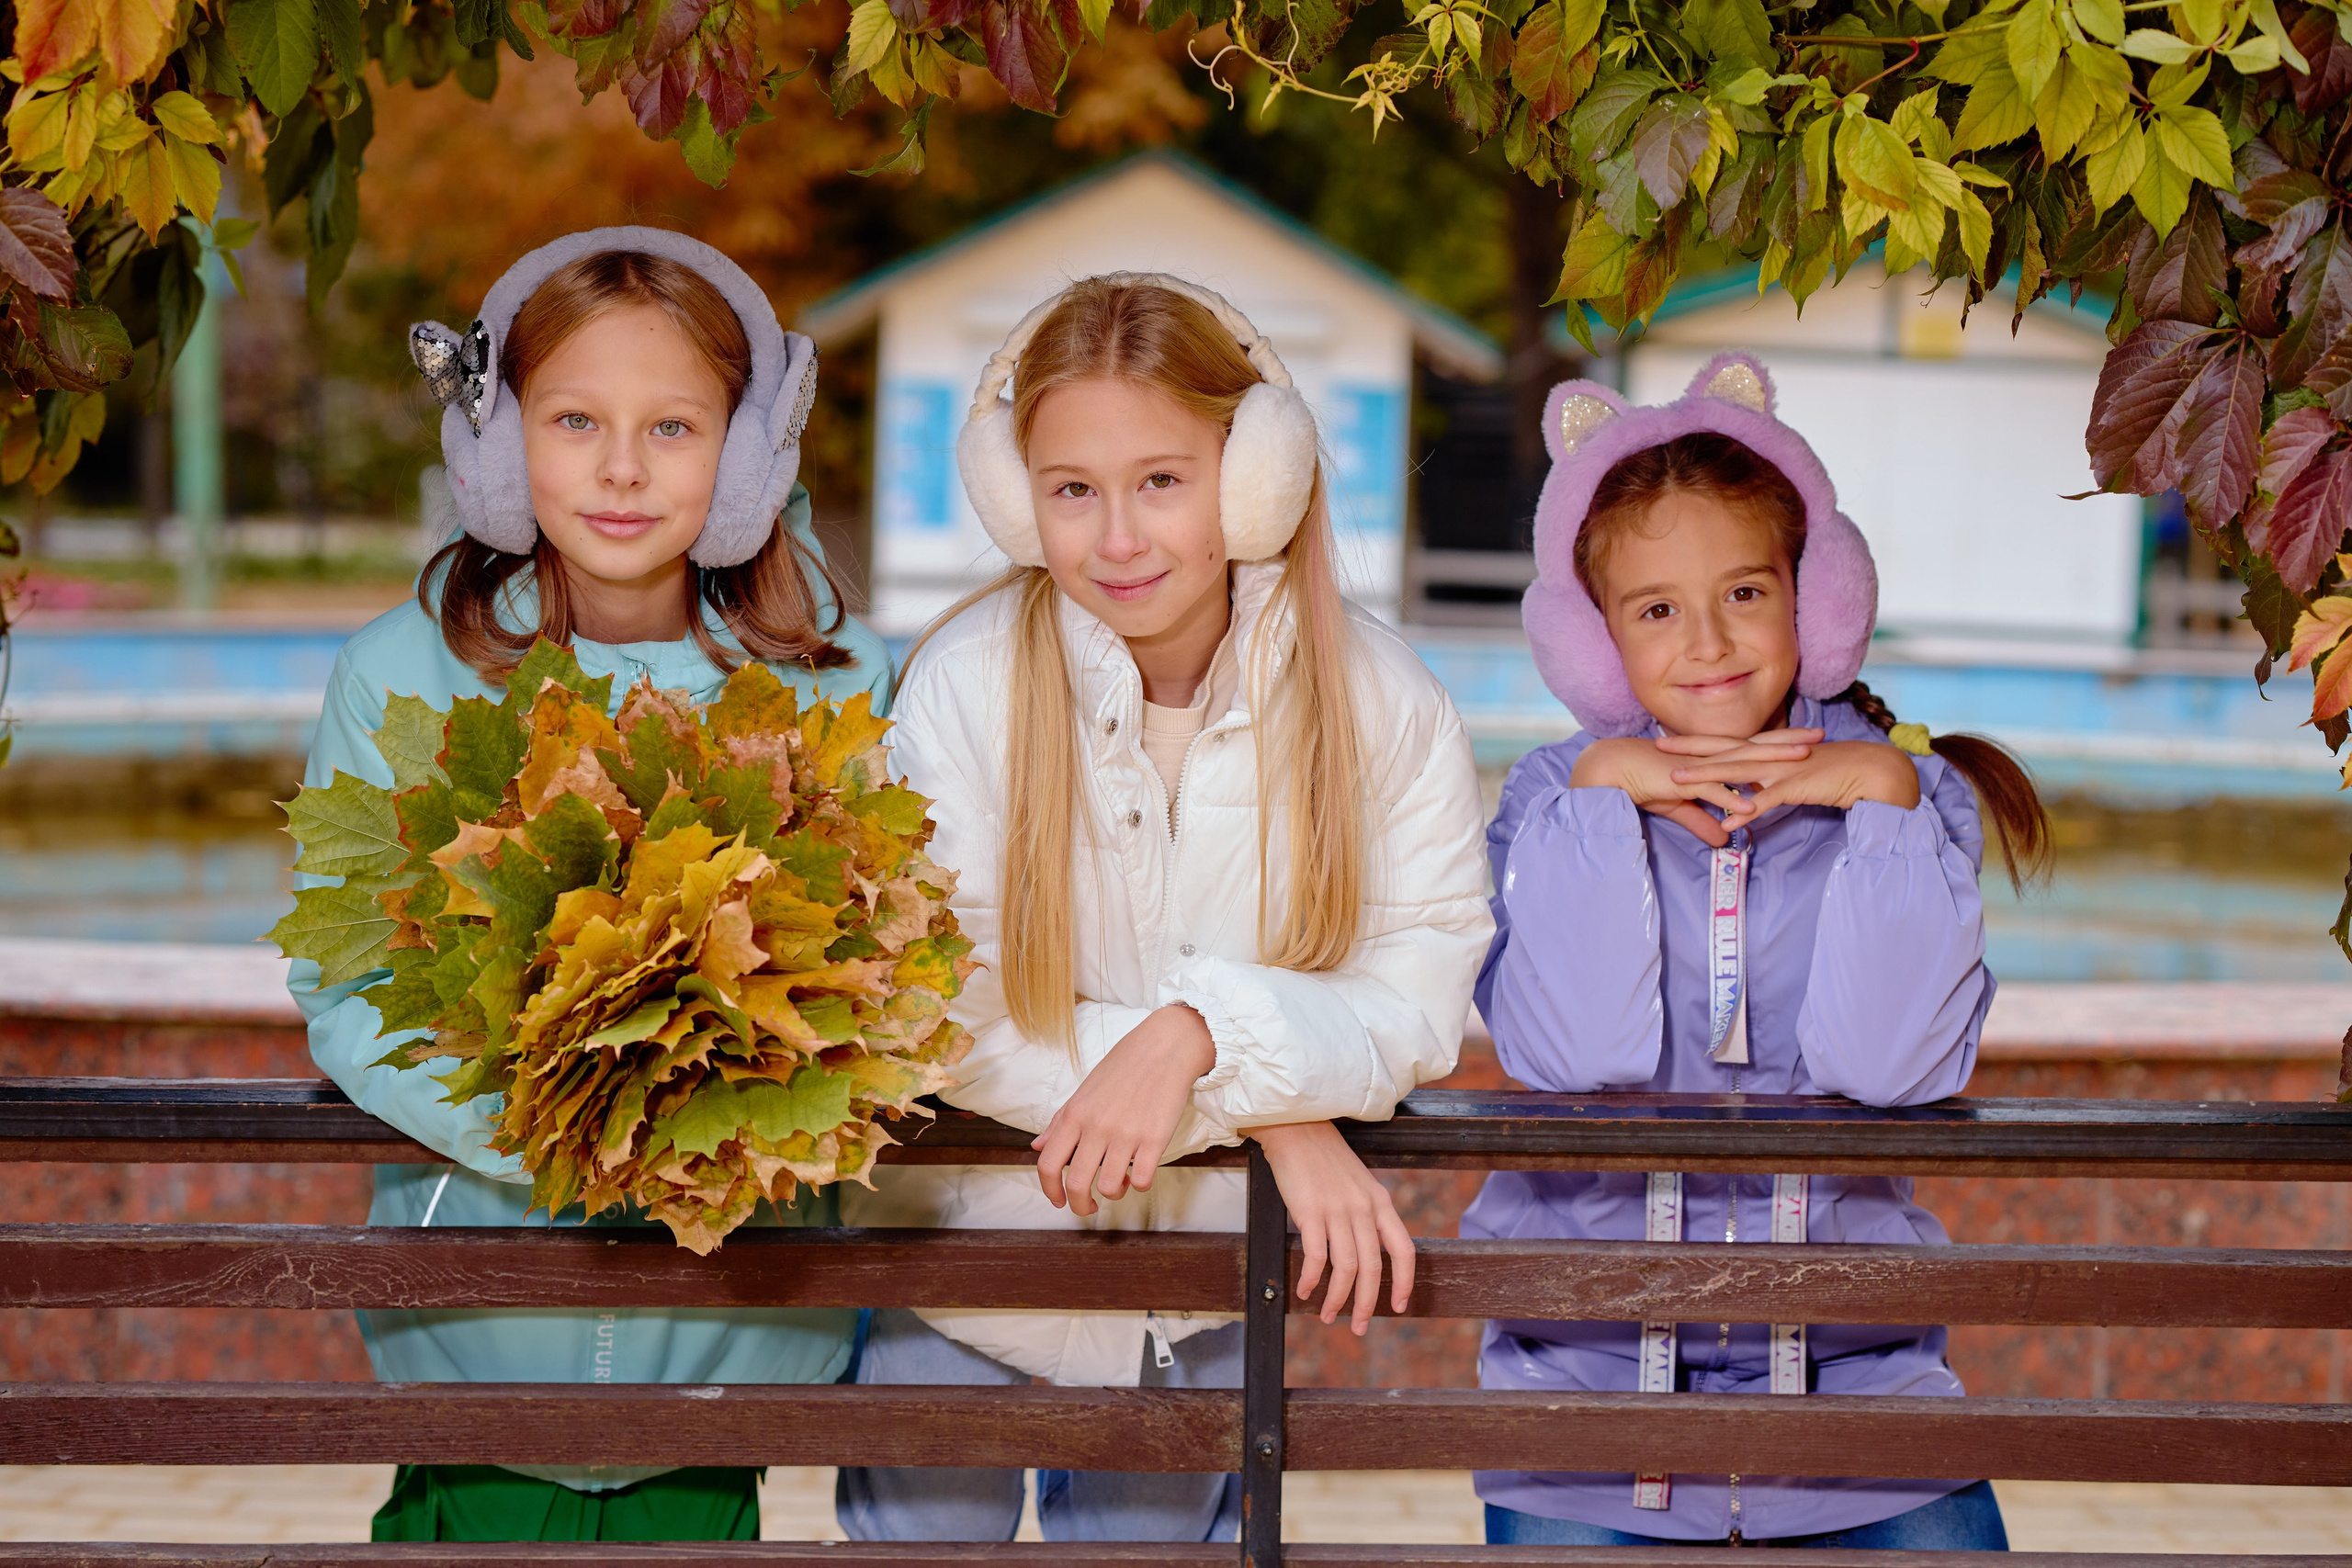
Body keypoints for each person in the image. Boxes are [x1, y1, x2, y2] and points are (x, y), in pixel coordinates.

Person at [835, 274, 1492, 1544]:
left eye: (1163, 481)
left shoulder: (1384, 703)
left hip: (1196, 1296)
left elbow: (1417, 995)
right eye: (1073, 490)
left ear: (1257, 477)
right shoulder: (962, 689)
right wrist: (1281, 1119)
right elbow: (942, 1004)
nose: (1118, 537)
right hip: (956, 1269)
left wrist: (1200, 1038)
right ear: (1018, 502)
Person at [288, 227, 890, 1542]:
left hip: (726, 1322)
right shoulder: (398, 676)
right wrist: (557, 1131)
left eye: (674, 429)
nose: (621, 468)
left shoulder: (839, 694)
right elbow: (347, 985)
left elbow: (881, 974)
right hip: (484, 1313)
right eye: (573, 420)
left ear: (747, 461)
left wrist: (705, 1128)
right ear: (499, 447)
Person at [1465, 354, 2051, 1550]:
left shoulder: (1910, 797)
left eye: (1745, 591)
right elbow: (1572, 1052)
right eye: (1655, 609)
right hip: (1586, 1414)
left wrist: (1883, 800)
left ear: (1814, 600)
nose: (1709, 643)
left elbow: (1893, 1067)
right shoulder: (1548, 796)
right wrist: (1600, 796)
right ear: (1595, 641)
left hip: (1863, 1409)